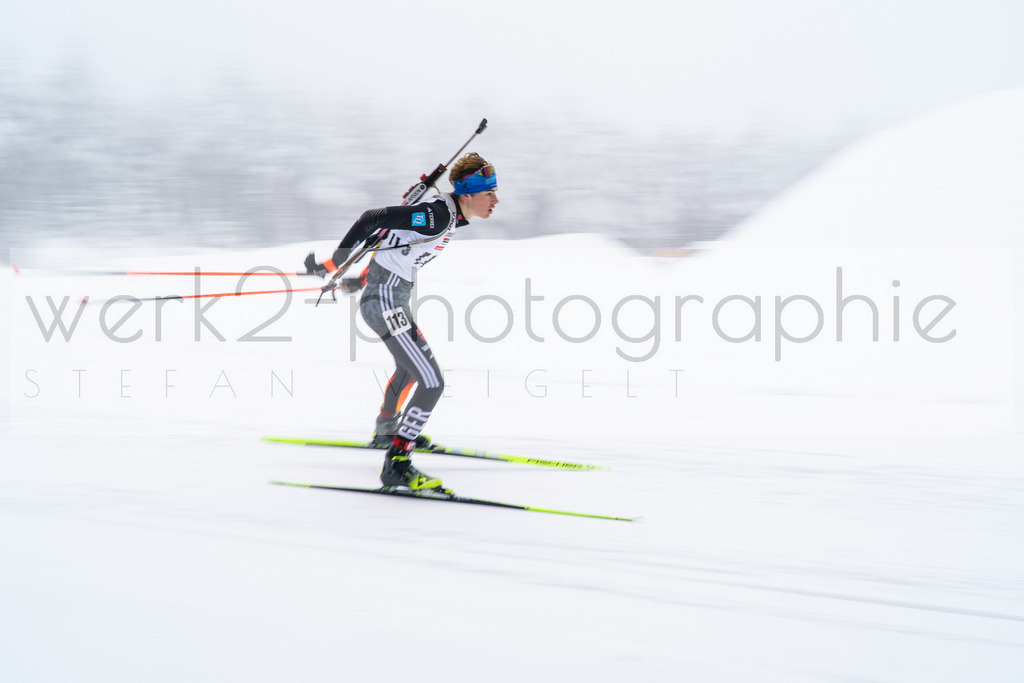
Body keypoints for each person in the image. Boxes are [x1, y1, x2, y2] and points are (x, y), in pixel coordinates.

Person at [304, 153, 499, 490]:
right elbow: (371, 219)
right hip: (384, 303)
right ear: (467, 194)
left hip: (390, 300)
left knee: (411, 369)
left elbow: (393, 244)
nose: (495, 200)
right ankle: (397, 462)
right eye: (489, 193)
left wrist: (361, 278)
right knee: (432, 382)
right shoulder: (435, 216)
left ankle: (387, 429)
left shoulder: (445, 215)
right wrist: (334, 263)